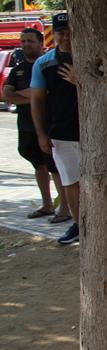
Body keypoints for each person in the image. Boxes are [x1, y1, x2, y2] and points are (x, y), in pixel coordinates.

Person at [3, 27, 70, 222]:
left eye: (30, 41)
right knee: (38, 165)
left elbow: (47, 92)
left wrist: (26, 94)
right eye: (23, 41)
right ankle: (47, 205)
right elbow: (7, 95)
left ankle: (65, 209)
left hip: (50, 127)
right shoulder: (18, 69)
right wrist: (34, 96)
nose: (26, 44)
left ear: (41, 43)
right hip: (27, 127)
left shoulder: (48, 65)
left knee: (56, 168)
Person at [29, 13, 81, 246]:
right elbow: (37, 100)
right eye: (61, 32)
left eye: (69, 31)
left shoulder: (91, 57)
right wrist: (41, 134)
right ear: (54, 34)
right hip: (61, 133)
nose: (66, 36)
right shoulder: (44, 63)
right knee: (70, 181)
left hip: (92, 133)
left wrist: (82, 80)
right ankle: (78, 225)